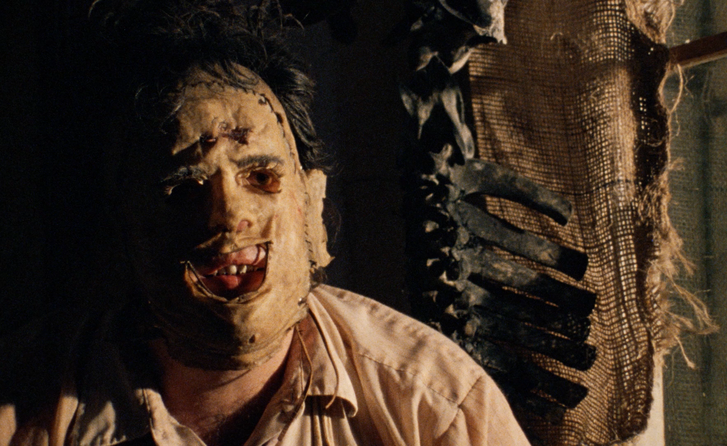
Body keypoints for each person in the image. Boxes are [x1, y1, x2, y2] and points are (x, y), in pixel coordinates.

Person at [0, 1, 531, 445]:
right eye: (183, 190)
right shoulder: (22, 405)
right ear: (123, 232)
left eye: (261, 176)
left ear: (312, 208)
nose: (229, 216)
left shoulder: (435, 408)